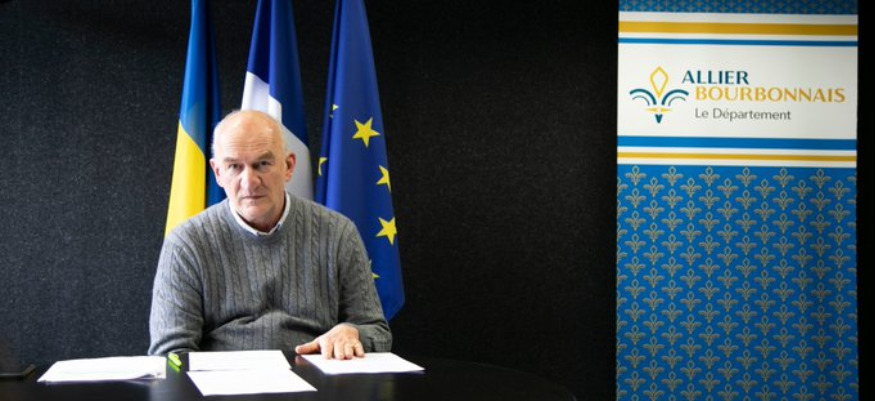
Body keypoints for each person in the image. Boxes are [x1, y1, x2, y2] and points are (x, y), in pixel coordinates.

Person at [148, 110, 391, 359]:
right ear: (218, 173)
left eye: (262, 164)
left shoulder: (339, 233)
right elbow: (170, 354)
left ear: (288, 166)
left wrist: (353, 332)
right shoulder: (186, 244)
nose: (249, 182)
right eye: (234, 167)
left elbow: (379, 333)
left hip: (316, 375)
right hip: (225, 380)